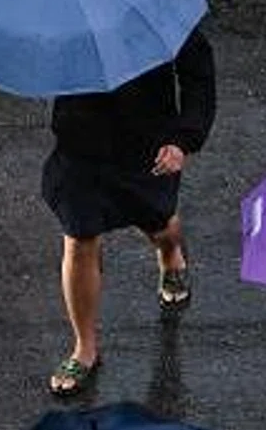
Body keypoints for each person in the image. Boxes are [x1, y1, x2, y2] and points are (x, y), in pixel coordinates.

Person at [41, 26, 216, 397]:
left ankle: (170, 254)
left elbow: (198, 75)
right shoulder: (62, 12)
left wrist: (183, 139)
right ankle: (84, 348)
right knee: (80, 237)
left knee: (159, 224)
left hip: (144, 146)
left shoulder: (155, 10)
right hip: (80, 148)